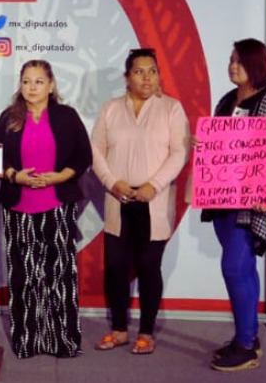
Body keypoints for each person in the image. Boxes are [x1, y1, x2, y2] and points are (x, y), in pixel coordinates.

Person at [91, 48, 190, 355]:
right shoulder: (111, 108)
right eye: (139, 71)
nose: (146, 78)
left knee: (149, 266)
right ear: (126, 76)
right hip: (118, 197)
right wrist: (112, 182)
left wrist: (154, 185)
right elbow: (95, 151)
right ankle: (118, 329)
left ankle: (146, 332)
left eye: (152, 71)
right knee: (116, 267)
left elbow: (180, 152)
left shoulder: (172, 109)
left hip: (153, 200)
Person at [202, 38, 266, 372]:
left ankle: (245, 347)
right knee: (243, 270)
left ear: (256, 64)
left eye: (239, 61)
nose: (232, 66)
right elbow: (220, 149)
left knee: (235, 267)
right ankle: (248, 335)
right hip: (223, 197)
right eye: (230, 60)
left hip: (253, 203)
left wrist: (265, 194)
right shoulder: (227, 100)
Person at [0, 59, 91, 359]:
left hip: (57, 205)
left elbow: (83, 155)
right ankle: (28, 341)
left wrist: (61, 176)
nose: (31, 87)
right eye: (26, 81)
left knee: (59, 275)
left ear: (51, 85)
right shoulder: (9, 117)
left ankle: (63, 341)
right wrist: (14, 176)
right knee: (24, 276)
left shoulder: (67, 116)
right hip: (18, 206)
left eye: (38, 81)